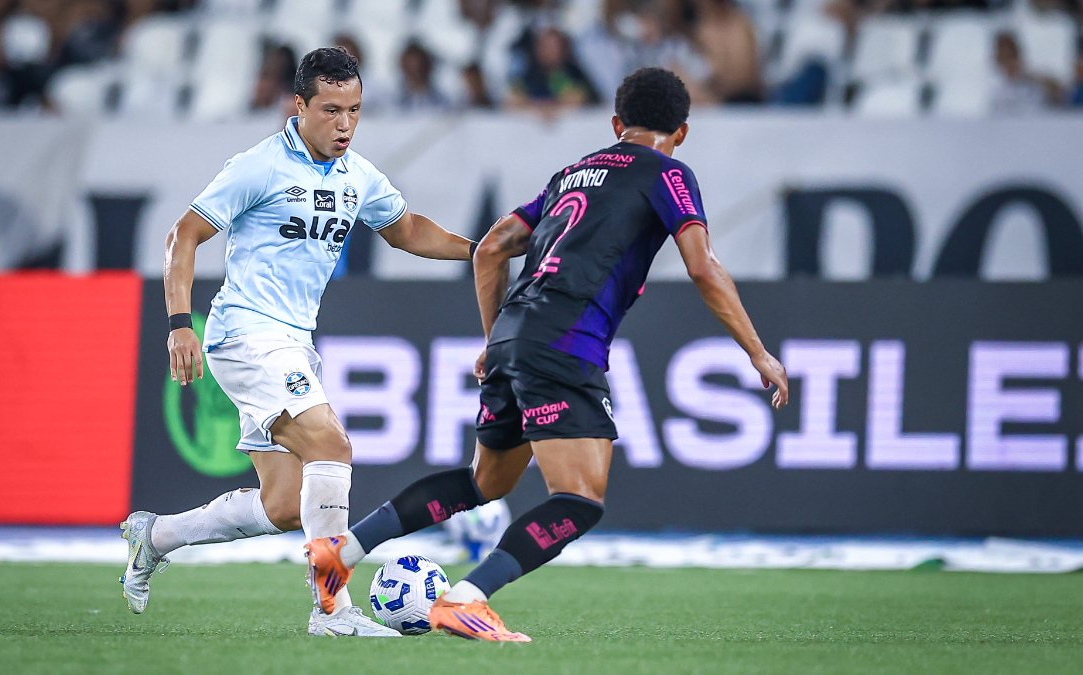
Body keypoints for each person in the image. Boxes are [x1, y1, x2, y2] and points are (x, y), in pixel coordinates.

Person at [308, 66, 789, 642]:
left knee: (483, 483)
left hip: (516, 331)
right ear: (681, 132)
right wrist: (758, 352)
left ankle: (343, 548)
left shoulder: (573, 173)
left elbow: (490, 248)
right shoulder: (669, 172)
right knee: (580, 499)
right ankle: (466, 597)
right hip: (566, 341)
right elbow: (703, 266)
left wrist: (494, 339)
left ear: (616, 124)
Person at [118, 47, 475, 638]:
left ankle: (154, 536)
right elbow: (184, 234)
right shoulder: (258, 166)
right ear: (300, 105)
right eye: (331, 110)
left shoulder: (358, 175)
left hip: (290, 340)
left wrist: (480, 248)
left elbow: (408, 230)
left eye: (355, 111)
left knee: (283, 505)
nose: (345, 124)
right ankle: (331, 609)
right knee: (331, 445)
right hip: (246, 333)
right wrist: (180, 323)